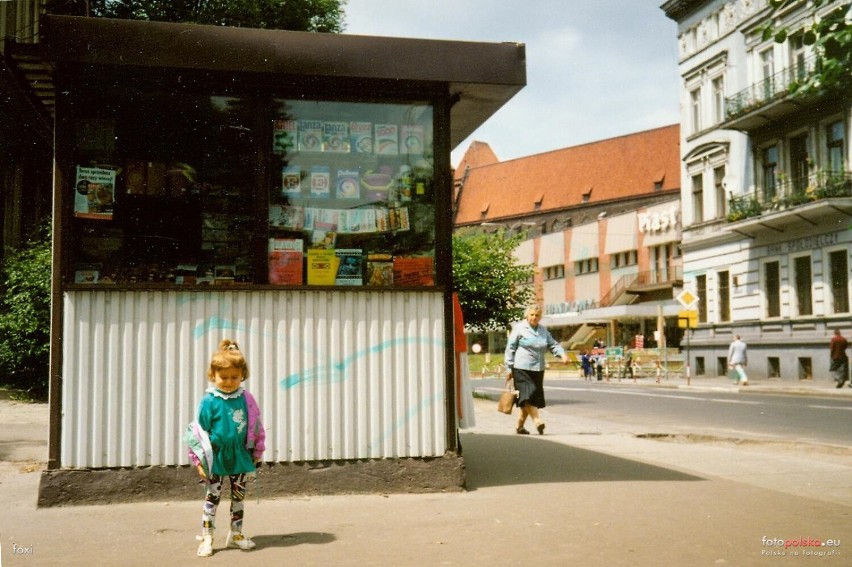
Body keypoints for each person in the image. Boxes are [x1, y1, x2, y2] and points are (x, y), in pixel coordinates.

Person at [187, 339, 266, 557]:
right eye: (224, 377)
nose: (230, 381)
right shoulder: (209, 401)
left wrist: (257, 451)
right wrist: (198, 460)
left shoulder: (246, 398)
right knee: (213, 497)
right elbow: (197, 434)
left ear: (243, 374)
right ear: (213, 375)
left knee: (239, 496)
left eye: (235, 376)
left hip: (240, 456)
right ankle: (207, 536)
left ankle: (236, 534)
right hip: (216, 458)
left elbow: (256, 425)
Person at [504, 306, 569, 435]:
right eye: (532, 315)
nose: (534, 317)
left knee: (530, 398)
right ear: (527, 315)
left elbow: (552, 344)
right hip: (521, 368)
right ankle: (537, 421)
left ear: (540, 317)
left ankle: (519, 427)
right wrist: (508, 367)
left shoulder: (542, 330)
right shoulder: (519, 328)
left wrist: (562, 354)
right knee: (528, 395)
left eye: (537, 315)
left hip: (538, 368)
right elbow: (510, 348)